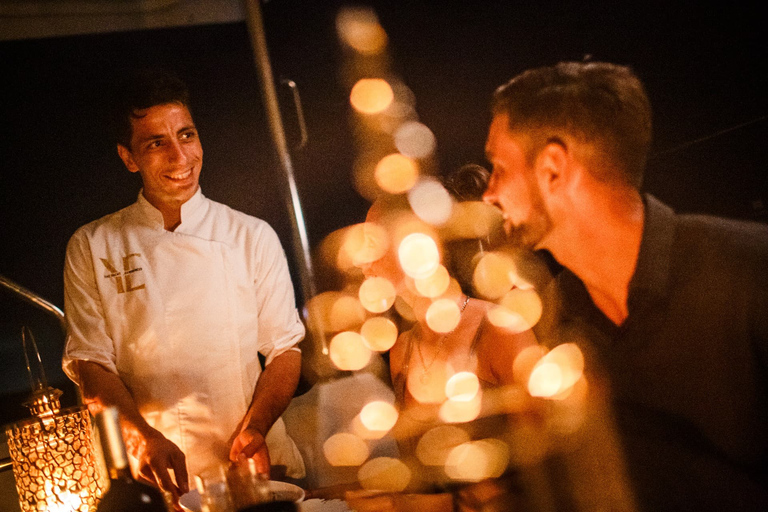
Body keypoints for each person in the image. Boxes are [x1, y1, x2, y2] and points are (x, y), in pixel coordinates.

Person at [482, 61, 768, 511]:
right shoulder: (551, 325)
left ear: (553, 169)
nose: (489, 193)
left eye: (498, 167)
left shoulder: (751, 269)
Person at [61, 69, 306, 508]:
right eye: (157, 143)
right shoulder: (92, 244)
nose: (180, 156)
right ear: (129, 157)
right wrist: (144, 437)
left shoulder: (251, 235)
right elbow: (90, 363)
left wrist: (258, 427)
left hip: (253, 464)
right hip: (155, 476)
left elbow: (285, 349)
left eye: (186, 135)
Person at [344, 187, 538, 512]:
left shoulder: (499, 328)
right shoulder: (401, 350)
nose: (361, 260)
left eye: (374, 241)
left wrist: (411, 506)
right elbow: (424, 479)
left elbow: (544, 473)